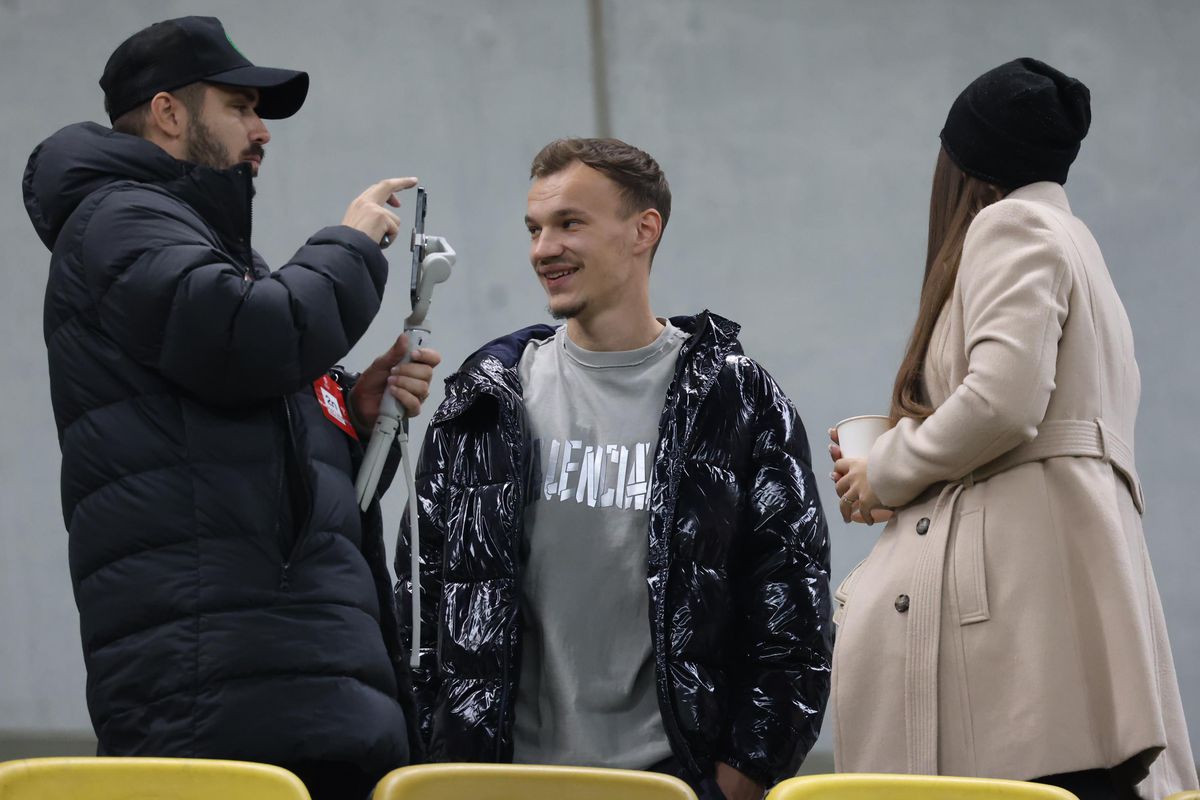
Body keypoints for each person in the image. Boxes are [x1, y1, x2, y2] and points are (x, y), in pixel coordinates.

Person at [23, 16, 441, 800]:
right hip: (225, 704)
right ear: (168, 112)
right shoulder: (121, 219)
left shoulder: (197, 247)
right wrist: (351, 245)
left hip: (279, 695)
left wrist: (351, 415)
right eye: (240, 108)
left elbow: (240, 438)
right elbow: (251, 337)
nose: (262, 130)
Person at [395, 137, 831, 800]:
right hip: (502, 783)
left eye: (569, 223)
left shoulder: (735, 399)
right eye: (535, 229)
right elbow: (419, 601)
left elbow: (791, 611)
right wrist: (441, 758)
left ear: (642, 230)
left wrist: (738, 781)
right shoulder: (486, 399)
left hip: (671, 786)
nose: (544, 249)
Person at [828, 58, 1197, 800]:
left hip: (1017, 609)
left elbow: (1003, 400)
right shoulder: (1077, 242)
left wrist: (887, 468)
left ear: (967, 163)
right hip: (1074, 573)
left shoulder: (1010, 224)